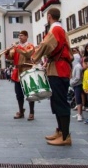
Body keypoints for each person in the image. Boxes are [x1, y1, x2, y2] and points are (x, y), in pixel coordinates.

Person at [31, 8, 73, 146]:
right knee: (56, 101)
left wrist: (35, 57)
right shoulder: (60, 29)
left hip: (58, 70)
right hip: (57, 68)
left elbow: (46, 44)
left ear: (49, 16)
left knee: (60, 102)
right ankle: (60, 131)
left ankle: (66, 136)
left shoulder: (55, 29)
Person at [5, 30, 35, 121]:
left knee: (30, 93)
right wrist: (7, 51)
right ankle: (21, 111)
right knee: (19, 94)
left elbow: (28, 53)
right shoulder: (16, 47)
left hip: (27, 70)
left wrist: (17, 48)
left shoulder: (30, 45)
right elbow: (10, 57)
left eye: (21, 35)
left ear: (26, 36)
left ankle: (31, 112)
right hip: (17, 71)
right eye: (19, 36)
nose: (20, 37)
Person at [70, 51, 84, 122]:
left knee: (78, 100)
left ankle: (79, 114)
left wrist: (71, 83)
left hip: (77, 84)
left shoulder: (77, 66)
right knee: (77, 99)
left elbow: (78, 77)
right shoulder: (76, 66)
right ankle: (79, 113)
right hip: (76, 84)